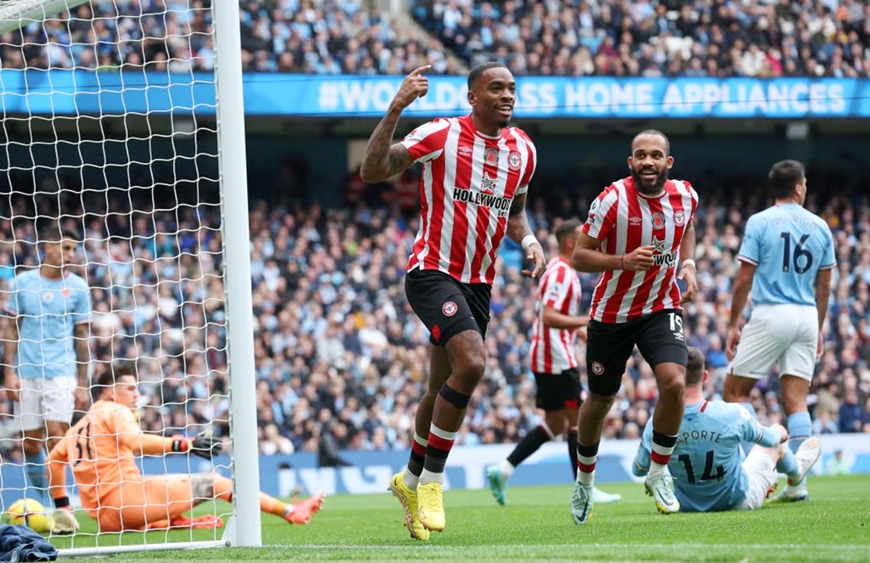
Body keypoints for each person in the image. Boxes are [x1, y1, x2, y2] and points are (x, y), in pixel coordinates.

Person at [360, 62, 546, 539]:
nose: (507, 95)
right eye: (496, 88)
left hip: (479, 284)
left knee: (438, 387)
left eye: (511, 88)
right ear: (473, 97)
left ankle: (408, 480)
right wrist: (397, 107)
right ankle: (433, 482)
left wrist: (529, 241)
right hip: (432, 272)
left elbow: (516, 213)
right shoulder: (441, 134)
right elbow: (373, 169)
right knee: (473, 363)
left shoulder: (523, 150)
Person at [569, 130, 699, 524]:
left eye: (655, 155)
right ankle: (584, 481)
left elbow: (687, 227)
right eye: (640, 155)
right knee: (600, 400)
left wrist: (688, 265)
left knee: (674, 382)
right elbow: (579, 256)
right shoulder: (613, 199)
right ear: (631, 162)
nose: (648, 162)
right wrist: (623, 261)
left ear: (668, 162)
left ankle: (658, 471)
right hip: (612, 314)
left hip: (661, 306)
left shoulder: (685, 195)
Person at [46, 361, 325, 533]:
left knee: (160, 487)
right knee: (215, 482)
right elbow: (136, 442)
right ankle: (290, 511)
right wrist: (184, 443)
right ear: (111, 392)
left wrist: (63, 508)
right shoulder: (115, 411)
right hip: (127, 502)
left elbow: (53, 462)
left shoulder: (78, 427)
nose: (136, 394)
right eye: (130, 389)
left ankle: (174, 521)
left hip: (105, 519)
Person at [484, 219, 620, 506]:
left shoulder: (564, 270)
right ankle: (585, 487)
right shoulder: (560, 272)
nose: (590, 239)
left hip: (551, 355)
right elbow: (549, 317)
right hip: (554, 358)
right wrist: (589, 320)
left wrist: (584, 334)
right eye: (583, 235)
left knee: (556, 422)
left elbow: (558, 317)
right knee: (578, 419)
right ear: (570, 243)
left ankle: (503, 469)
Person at [724, 159, 835, 504]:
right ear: (799, 187)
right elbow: (825, 286)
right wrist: (818, 325)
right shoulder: (821, 226)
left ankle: (761, 468)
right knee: (796, 400)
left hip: (772, 311)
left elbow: (743, 279)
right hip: (806, 314)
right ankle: (797, 483)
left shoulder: (760, 222)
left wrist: (733, 323)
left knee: (735, 392)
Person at [633, 347, 821, 512]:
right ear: (704, 376)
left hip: (686, 506)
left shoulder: (657, 422)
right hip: (739, 501)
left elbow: (639, 470)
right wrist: (779, 431)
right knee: (774, 440)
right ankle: (797, 472)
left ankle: (784, 477)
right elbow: (771, 440)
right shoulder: (731, 413)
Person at [2, 226, 91, 505]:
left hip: (61, 372)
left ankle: (60, 501)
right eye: (66, 248)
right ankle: (43, 502)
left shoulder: (79, 287)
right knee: (30, 442)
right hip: (27, 371)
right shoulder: (23, 282)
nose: (71, 254)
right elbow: (12, 329)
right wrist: (9, 373)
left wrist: (83, 383)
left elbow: (82, 337)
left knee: (57, 437)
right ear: (48, 247)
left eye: (74, 249)